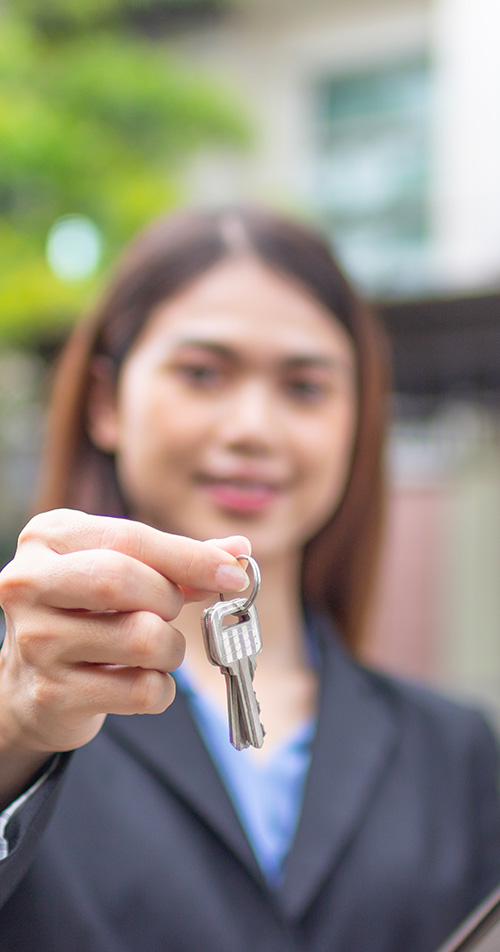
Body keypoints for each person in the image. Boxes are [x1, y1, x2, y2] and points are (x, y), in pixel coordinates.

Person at [0, 204, 499, 952]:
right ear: (107, 404)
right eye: (202, 373)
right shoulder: (19, 701)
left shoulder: (455, 751)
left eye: (305, 387)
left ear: (356, 424)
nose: (253, 429)